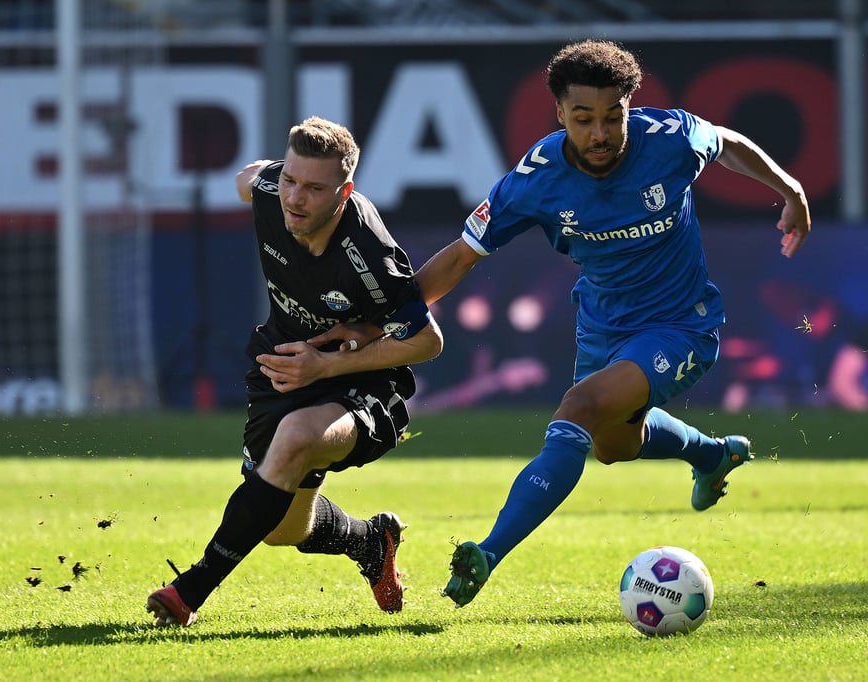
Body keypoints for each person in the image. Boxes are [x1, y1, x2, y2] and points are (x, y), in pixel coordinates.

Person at [314, 39, 810, 607]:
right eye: (583, 118)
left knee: (578, 408)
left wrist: (790, 190)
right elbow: (460, 256)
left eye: (612, 116)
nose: (600, 133)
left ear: (630, 106)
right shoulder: (536, 179)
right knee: (613, 446)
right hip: (603, 326)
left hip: (681, 325)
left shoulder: (670, 138)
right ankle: (711, 455)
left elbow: (727, 142)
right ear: (559, 114)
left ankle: (487, 553)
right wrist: (383, 323)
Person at [145, 116, 443, 626]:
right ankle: (370, 542)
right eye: (290, 180)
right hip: (285, 365)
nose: (295, 199)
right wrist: (270, 174)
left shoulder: (369, 254)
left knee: (298, 436)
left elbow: (427, 341)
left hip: (364, 381)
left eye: (314, 188)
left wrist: (329, 363)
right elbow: (247, 177)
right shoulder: (270, 190)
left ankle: (189, 591)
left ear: (344, 193)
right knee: (280, 528)